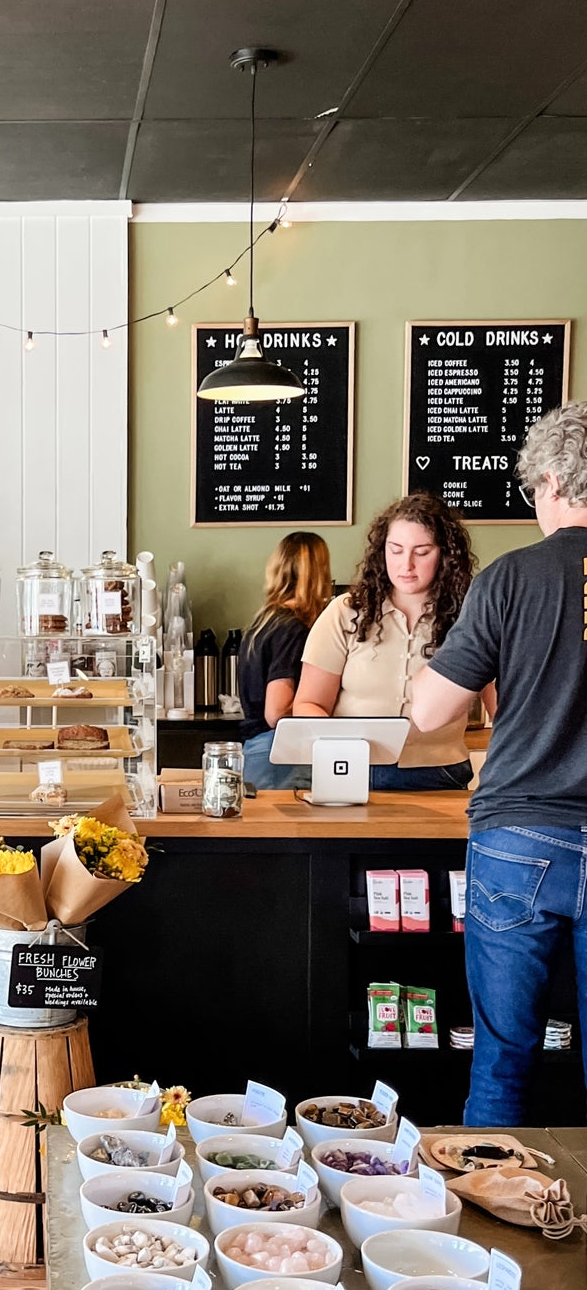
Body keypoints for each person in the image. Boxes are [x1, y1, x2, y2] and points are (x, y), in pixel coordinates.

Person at [412, 401, 587, 1124]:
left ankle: (494, 1232)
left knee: (503, 1059)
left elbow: (430, 712)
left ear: (551, 480)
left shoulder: (512, 577)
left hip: (518, 838)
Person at [292, 491, 481, 790]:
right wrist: (341, 747)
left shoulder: (471, 617)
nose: (406, 564)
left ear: (445, 555)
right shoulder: (345, 613)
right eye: (395, 550)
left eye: (421, 552)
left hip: (439, 772)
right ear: (381, 551)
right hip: (350, 768)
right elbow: (307, 704)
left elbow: (505, 708)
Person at [237, 532, 332, 788]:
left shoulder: (263, 623)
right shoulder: (295, 629)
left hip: (255, 751)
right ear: (319, 572)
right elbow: (277, 712)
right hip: (281, 754)